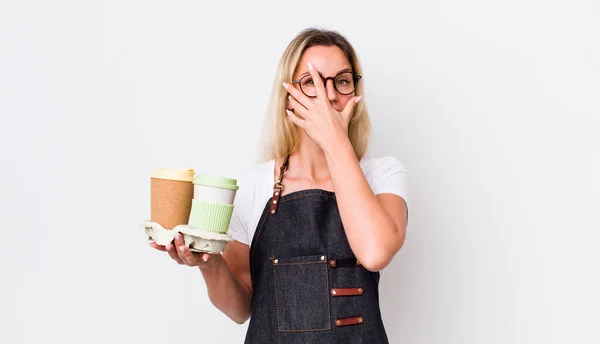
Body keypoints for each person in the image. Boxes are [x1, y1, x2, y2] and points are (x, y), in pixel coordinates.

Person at [150, 28, 409, 344]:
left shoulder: (383, 175)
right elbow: (239, 308)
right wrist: (208, 260)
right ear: (287, 95)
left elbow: (375, 252)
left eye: (341, 81)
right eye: (310, 82)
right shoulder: (250, 186)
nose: (328, 97)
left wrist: (335, 142)